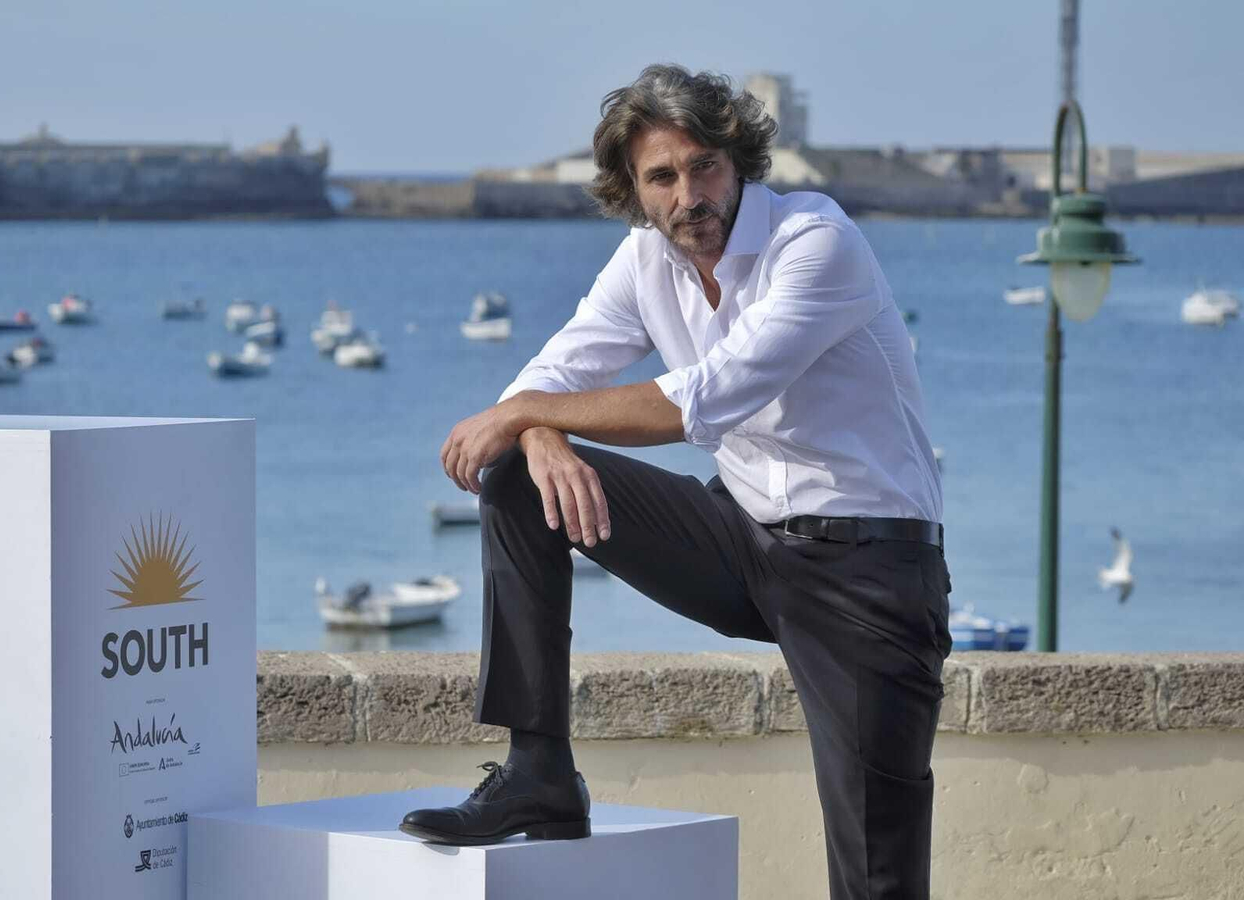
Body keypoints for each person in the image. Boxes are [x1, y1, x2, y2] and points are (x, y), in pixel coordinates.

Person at [400, 64, 951, 900]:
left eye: (704, 167)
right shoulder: (644, 260)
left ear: (739, 164)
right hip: (744, 543)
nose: (688, 195)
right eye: (662, 176)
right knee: (514, 473)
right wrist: (536, 430)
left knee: (877, 879)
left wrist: (529, 414)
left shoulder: (817, 241)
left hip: (868, 570)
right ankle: (539, 772)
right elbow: (547, 374)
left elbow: (708, 396)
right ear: (633, 190)